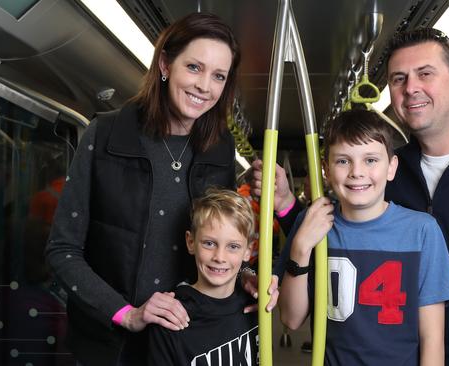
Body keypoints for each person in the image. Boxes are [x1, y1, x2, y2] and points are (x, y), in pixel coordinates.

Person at [259, 28, 449, 366]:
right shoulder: (381, 174)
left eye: (425, 73)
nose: (411, 88)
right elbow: (336, 237)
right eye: (398, 79)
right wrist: (285, 206)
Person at [46, 13, 276, 366]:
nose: (204, 86)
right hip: (111, 347)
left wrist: (245, 275)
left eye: (218, 76)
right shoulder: (105, 135)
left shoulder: (219, 147)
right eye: (194, 68)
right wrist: (127, 314)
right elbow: (62, 251)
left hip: (186, 340)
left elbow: (222, 234)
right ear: (166, 64)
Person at [278, 109, 449, 365]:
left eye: (371, 160)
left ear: (391, 167)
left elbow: (432, 338)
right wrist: (300, 248)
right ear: (326, 170)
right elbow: (291, 319)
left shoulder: (422, 231)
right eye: (343, 161)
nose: (357, 172)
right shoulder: (313, 224)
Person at [148, 188, 269, 365]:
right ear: (191, 242)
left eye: (233, 246)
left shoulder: (254, 304)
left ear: (248, 251)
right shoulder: (171, 319)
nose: (219, 257)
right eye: (209, 243)